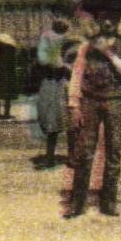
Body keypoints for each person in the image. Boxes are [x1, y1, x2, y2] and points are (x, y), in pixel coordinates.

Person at [61, 18, 121, 218]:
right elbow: (76, 75)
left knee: (114, 151)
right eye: (102, 18)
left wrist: (108, 53)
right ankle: (77, 204)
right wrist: (73, 104)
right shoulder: (86, 48)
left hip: (114, 101)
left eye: (111, 18)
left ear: (118, 22)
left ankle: (109, 202)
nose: (107, 23)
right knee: (85, 152)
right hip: (89, 101)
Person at [33, 19, 72, 168]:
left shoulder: (71, 39)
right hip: (51, 81)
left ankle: (73, 155)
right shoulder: (47, 36)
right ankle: (50, 156)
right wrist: (58, 63)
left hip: (66, 82)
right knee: (51, 119)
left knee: (71, 118)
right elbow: (43, 59)